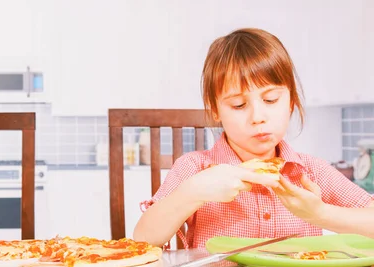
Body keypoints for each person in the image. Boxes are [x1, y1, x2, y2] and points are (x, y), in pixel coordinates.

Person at [133, 28, 374, 249]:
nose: (258, 117)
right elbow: (143, 239)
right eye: (238, 105)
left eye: (270, 100)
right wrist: (193, 192)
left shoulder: (311, 171)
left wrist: (321, 214)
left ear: (290, 101)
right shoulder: (194, 168)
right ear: (215, 109)